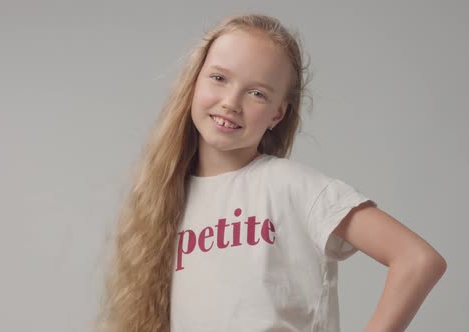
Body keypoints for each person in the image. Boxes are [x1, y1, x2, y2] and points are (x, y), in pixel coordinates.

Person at [94, 13, 447, 332]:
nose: (231, 102)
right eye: (219, 77)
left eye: (257, 93)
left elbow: (417, 260)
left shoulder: (290, 187)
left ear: (277, 114)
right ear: (194, 83)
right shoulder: (165, 202)